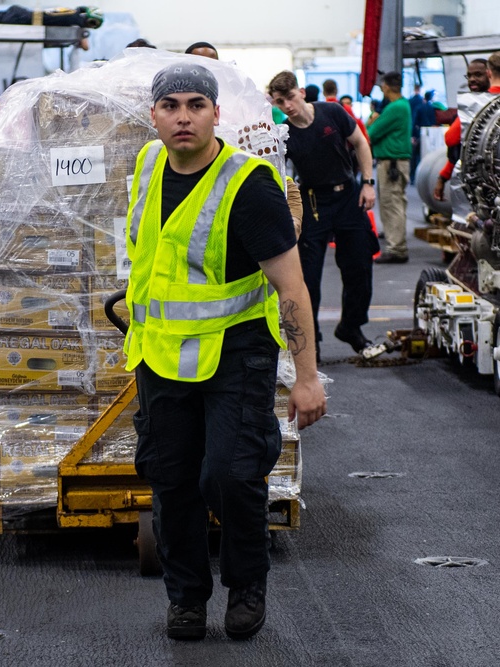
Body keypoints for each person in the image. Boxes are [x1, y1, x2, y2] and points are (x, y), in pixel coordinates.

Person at [125, 62, 326, 642]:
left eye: (195, 105)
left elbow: (291, 287)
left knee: (231, 476)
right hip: (161, 353)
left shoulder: (249, 184)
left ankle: (247, 583)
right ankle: (187, 598)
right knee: (171, 480)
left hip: (236, 352)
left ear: (217, 113)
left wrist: (307, 377)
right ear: (155, 114)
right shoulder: (146, 165)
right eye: (170, 106)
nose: (182, 116)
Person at [267, 70, 377, 357]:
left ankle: (351, 327)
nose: (287, 106)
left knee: (359, 267)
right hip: (312, 203)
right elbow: (277, 173)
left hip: (349, 197)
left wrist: (367, 183)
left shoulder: (333, 112)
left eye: (290, 97)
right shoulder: (285, 135)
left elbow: (362, 143)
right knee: (307, 278)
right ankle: (310, 343)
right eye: (280, 102)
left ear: (301, 92)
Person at [367, 71, 413, 263]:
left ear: (385, 87)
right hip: (396, 163)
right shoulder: (402, 105)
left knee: (392, 204)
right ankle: (396, 242)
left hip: (392, 163)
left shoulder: (395, 108)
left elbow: (371, 132)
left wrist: (372, 119)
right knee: (395, 203)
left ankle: (397, 248)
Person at [434, 58, 495, 201]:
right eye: (469, 75)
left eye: (478, 75)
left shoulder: (482, 104)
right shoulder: (472, 105)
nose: (472, 79)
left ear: (490, 75)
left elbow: (450, 137)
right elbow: (458, 150)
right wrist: (443, 177)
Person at [410, 90, 438, 180]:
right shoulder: (431, 108)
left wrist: (413, 135)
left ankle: (413, 177)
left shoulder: (419, 107)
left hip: (419, 134)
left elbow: (414, 122)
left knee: (415, 156)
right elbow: (434, 123)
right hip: (429, 135)